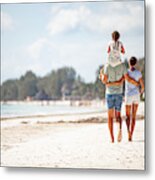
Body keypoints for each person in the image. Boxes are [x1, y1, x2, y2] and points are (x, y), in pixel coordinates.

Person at [100, 62, 139, 143]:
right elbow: (126, 78)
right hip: (119, 93)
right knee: (118, 115)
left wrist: (109, 82)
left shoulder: (107, 66)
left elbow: (104, 81)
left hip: (109, 94)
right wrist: (135, 83)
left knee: (110, 117)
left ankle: (112, 138)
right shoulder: (122, 66)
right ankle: (119, 128)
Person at [125, 57, 145, 141]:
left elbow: (125, 79)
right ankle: (131, 134)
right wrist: (140, 92)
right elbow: (143, 86)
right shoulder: (138, 73)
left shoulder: (126, 72)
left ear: (129, 63)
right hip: (136, 95)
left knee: (127, 116)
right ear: (135, 63)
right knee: (133, 116)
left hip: (128, 95)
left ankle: (128, 132)